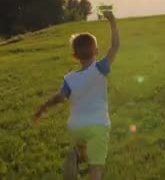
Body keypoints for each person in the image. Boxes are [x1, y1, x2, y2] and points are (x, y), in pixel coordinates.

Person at [33, 11, 119, 180]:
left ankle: (77, 154)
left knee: (83, 145)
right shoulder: (100, 69)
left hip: (76, 126)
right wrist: (113, 22)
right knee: (96, 166)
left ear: (75, 56)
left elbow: (59, 97)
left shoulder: (70, 79)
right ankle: (82, 158)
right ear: (97, 50)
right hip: (98, 125)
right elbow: (115, 47)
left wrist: (43, 108)